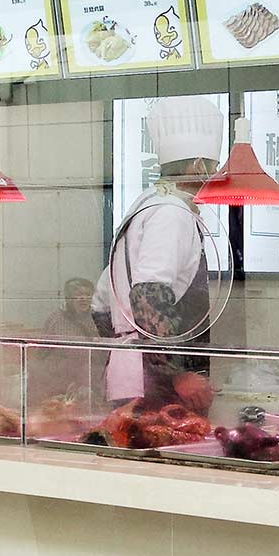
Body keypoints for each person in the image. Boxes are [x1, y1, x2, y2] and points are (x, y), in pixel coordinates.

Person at [92, 96, 223, 412]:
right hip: (155, 386)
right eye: (214, 166)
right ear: (197, 167)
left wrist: (125, 343)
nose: (217, 174)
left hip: (133, 375)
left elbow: (100, 303)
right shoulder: (171, 212)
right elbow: (148, 295)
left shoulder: (145, 205)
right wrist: (176, 373)